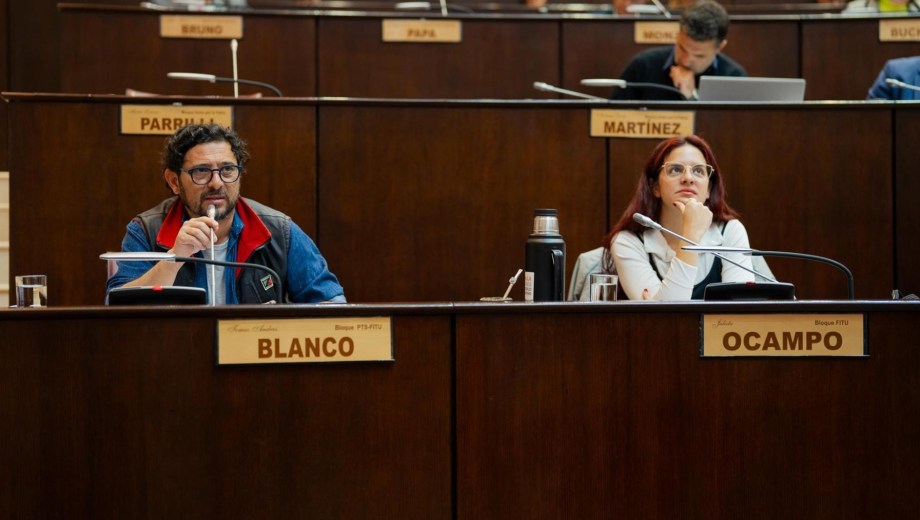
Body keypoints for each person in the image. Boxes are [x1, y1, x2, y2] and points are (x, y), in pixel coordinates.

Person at [106, 123, 345, 304]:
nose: (216, 183)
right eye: (201, 171)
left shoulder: (278, 231)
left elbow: (331, 304)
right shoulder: (146, 230)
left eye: (227, 170)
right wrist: (174, 258)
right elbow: (119, 308)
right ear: (174, 181)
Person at [602, 135, 754, 300]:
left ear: (709, 189)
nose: (688, 178)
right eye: (675, 169)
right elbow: (669, 314)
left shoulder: (730, 231)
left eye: (698, 170)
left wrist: (658, 303)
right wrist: (691, 235)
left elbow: (740, 307)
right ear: (655, 187)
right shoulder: (627, 241)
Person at [611, 0, 746, 101]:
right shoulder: (643, 65)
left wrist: (691, 97)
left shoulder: (734, 78)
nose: (686, 61)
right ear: (678, 35)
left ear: (720, 47)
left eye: (698, 56)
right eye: (682, 48)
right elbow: (612, 116)